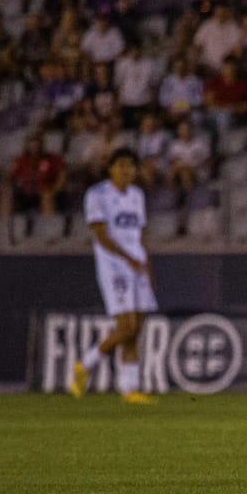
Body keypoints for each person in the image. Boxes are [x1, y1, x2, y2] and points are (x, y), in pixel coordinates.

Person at [68, 149, 156, 404]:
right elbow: (101, 235)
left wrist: (146, 265)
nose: (126, 170)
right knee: (126, 326)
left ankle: (130, 388)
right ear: (110, 168)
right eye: (121, 165)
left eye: (131, 166)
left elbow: (139, 235)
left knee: (136, 329)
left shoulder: (137, 196)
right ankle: (85, 364)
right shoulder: (97, 195)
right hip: (114, 267)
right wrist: (128, 258)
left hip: (136, 265)